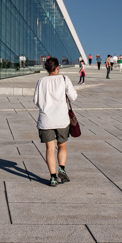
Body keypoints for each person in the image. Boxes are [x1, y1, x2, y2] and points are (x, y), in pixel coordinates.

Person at [33, 57, 78, 187]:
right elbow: (73, 97)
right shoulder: (64, 79)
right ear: (58, 68)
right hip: (62, 119)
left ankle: (52, 178)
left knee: (50, 148)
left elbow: (36, 100)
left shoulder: (40, 81)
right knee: (62, 145)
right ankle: (62, 169)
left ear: (47, 69)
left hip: (46, 119)